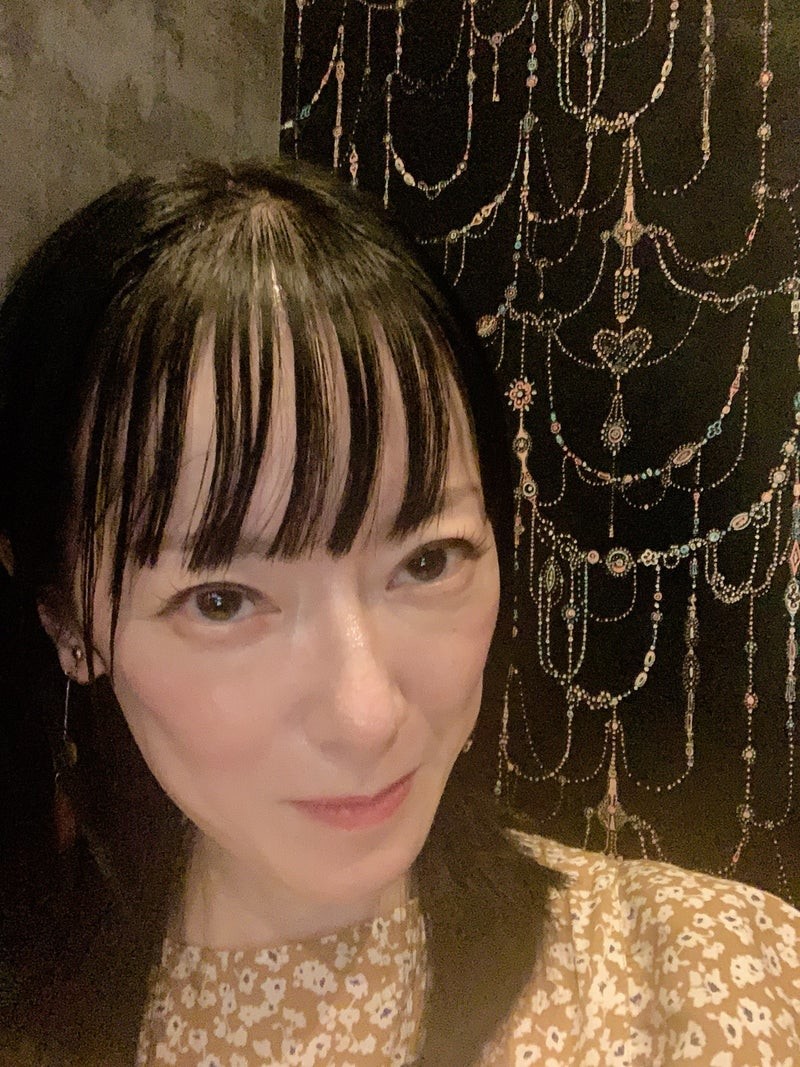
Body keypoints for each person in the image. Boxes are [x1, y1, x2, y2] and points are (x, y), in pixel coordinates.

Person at [0, 162, 797, 1067]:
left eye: (427, 560)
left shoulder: (720, 984)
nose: (367, 714)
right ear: (69, 623)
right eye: (222, 600)